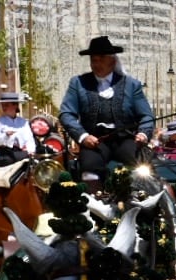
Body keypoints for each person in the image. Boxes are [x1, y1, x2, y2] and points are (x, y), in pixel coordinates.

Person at [58, 35, 154, 192]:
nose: (96, 64)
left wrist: (143, 133)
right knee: (89, 168)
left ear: (113, 61)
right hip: (94, 141)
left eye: (101, 59)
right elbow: (66, 113)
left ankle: (141, 199)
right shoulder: (78, 83)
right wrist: (83, 136)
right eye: (93, 60)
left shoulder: (132, 85)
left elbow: (146, 116)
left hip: (126, 139)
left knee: (141, 165)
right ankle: (95, 201)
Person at [0, 92, 35, 167]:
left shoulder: (23, 122)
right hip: (5, 155)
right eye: (2, 105)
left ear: (15, 105)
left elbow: (29, 139)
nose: (4, 107)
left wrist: (31, 151)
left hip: (21, 153)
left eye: (6, 105)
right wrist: (5, 136)